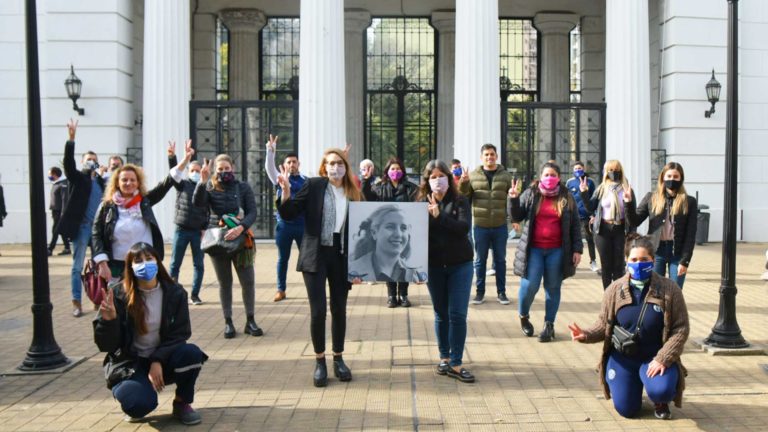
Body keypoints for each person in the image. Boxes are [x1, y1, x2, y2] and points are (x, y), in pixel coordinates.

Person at [568, 234, 689, 420]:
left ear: (653, 260)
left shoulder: (669, 289)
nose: (638, 264)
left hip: (654, 356)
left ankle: (660, 400)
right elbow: (603, 324)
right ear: (626, 261)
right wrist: (585, 334)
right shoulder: (614, 290)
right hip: (623, 357)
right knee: (626, 410)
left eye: (644, 260)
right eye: (633, 260)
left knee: (661, 390)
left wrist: (663, 358)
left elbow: (680, 329)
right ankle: (629, 388)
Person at [93, 242, 207, 425]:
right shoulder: (118, 294)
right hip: (130, 362)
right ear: (130, 266)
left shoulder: (175, 292)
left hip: (163, 358)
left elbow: (180, 333)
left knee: (191, 354)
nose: (144, 264)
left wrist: (157, 360)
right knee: (137, 404)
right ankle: (137, 396)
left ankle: (182, 403)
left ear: (157, 261)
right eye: (138, 261)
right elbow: (105, 346)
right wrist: (109, 321)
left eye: (149, 258)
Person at [277, 148, 362, 387]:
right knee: (318, 311)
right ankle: (320, 361)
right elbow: (290, 213)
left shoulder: (353, 192)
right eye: (331, 163)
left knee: (339, 308)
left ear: (346, 166)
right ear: (324, 167)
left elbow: (362, 229)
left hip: (341, 254)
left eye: (340, 163)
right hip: (315, 253)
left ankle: (338, 358)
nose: (335, 167)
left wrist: (361, 267)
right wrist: (285, 193)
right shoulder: (314, 186)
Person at [508, 162, 582, 342]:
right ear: (540, 177)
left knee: (553, 287)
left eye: (553, 175)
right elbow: (517, 216)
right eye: (546, 175)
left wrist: (577, 249)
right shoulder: (532, 193)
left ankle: (549, 325)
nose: (549, 178)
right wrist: (513, 199)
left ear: (559, 178)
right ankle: (523, 316)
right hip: (534, 250)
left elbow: (575, 225)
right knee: (529, 286)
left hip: (557, 250)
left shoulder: (566, 196)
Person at [193, 154, 262, 339]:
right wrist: (202, 181)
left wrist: (241, 227)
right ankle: (228, 322)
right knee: (225, 283)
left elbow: (253, 212)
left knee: (248, 281)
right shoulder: (209, 187)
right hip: (218, 242)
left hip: (241, 241)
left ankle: (250, 320)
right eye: (220, 169)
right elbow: (197, 204)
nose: (224, 172)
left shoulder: (243, 187)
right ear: (215, 170)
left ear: (233, 167)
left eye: (227, 168)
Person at [419, 160, 475, 383]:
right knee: (441, 313)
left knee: (457, 314)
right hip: (434, 267)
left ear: (449, 178)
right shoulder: (420, 203)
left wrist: (439, 216)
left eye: (441, 175)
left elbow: (462, 229)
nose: (437, 180)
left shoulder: (460, 201)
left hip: (460, 265)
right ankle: (444, 357)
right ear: (426, 181)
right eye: (432, 177)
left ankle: (456, 362)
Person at [92, 163, 174, 282]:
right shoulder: (106, 206)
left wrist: (181, 160)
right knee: (118, 299)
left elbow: (165, 185)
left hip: (144, 262)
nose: (128, 183)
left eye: (132, 180)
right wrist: (102, 262)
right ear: (117, 183)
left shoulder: (144, 201)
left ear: (138, 183)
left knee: (146, 298)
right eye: (124, 180)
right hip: (117, 265)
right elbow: (96, 234)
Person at [59, 119, 106, 317]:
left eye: (93, 159)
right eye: (87, 159)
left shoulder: (100, 183)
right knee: (77, 266)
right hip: (81, 227)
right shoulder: (80, 178)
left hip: (97, 230)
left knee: (99, 265)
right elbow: (68, 166)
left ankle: (98, 300)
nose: (90, 162)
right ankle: (76, 302)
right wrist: (71, 141)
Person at [626, 162, 697, 289]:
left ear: (681, 178)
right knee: (654, 288)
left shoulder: (689, 201)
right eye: (669, 176)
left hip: (678, 253)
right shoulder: (651, 198)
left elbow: (690, 234)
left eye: (676, 177)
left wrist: (685, 261)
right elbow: (634, 221)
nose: (672, 180)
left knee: (675, 290)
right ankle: (657, 310)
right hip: (656, 251)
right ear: (663, 177)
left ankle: (670, 310)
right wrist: (628, 203)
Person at [458, 143, 513, 305]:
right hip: (480, 226)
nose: (489, 157)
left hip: (500, 225)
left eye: (492, 154)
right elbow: (463, 197)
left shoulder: (505, 176)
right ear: (481, 158)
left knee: (500, 260)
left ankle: (501, 293)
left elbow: (513, 198)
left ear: (496, 156)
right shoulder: (473, 175)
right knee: (480, 260)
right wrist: (463, 182)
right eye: (486, 155)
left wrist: (515, 220)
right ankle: (479, 292)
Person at [362, 157, 419, 307]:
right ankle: (392, 295)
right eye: (392, 169)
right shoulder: (379, 187)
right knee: (389, 261)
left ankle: (404, 295)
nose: (395, 171)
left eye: (398, 169)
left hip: (404, 231)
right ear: (387, 171)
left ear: (403, 171)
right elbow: (365, 198)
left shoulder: (411, 188)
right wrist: (366, 181)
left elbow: (418, 205)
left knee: (404, 261)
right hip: (387, 233)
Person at [581, 160, 637, 289]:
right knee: (606, 265)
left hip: (620, 229)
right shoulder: (601, 189)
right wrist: (584, 192)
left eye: (616, 169)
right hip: (603, 230)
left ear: (621, 171)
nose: (613, 172)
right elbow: (590, 207)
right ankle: (607, 294)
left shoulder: (627, 188)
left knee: (619, 265)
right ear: (606, 172)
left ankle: (618, 293)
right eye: (610, 170)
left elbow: (632, 215)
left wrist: (632, 234)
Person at [265, 134, 306, 302]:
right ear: (285, 165)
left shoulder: (306, 181)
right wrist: (270, 151)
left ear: (298, 164)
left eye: (294, 162)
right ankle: (281, 290)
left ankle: (312, 288)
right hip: (284, 227)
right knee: (283, 259)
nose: (291, 164)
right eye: (288, 162)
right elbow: (269, 168)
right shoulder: (279, 178)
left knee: (307, 259)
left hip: (303, 226)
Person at [167, 140, 209, 305]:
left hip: (198, 232)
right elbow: (174, 174)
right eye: (192, 170)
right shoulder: (182, 185)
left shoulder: (206, 187)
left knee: (199, 264)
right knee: (175, 263)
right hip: (182, 229)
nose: (195, 173)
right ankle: (172, 292)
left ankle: (195, 295)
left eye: (198, 171)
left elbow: (208, 210)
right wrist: (173, 157)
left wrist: (205, 228)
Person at [348, 204, 427, 284]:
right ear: (374, 232)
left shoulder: (416, 275)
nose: (398, 234)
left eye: (403, 228)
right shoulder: (351, 270)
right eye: (390, 227)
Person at [565, 161, 598, 273]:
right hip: (573, 216)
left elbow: (595, 199)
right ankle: (573, 262)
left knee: (590, 239)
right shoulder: (569, 182)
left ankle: (593, 261)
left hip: (587, 216)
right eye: (575, 168)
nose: (578, 170)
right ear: (573, 170)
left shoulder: (590, 182)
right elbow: (566, 198)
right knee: (571, 239)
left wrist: (593, 215)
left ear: (583, 169)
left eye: (580, 168)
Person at [47, 166, 71, 256]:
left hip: (60, 211)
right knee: (61, 230)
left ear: (54, 174)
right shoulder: (56, 183)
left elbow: (65, 199)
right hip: (55, 211)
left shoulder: (63, 184)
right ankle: (67, 248)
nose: (49, 176)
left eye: (50, 174)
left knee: (55, 230)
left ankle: (50, 249)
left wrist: (63, 213)